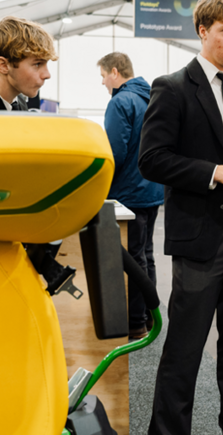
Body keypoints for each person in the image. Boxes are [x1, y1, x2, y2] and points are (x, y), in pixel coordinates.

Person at [139, 0, 223, 435]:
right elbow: (152, 159)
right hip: (201, 236)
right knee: (184, 348)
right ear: (202, 31)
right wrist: (218, 172)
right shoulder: (173, 87)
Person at [97, 52, 163, 340]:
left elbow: (115, 153)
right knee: (146, 254)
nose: (102, 83)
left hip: (128, 193)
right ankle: (150, 315)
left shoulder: (120, 102)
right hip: (153, 189)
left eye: (102, 76)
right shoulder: (154, 99)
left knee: (134, 259)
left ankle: (134, 321)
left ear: (114, 71)